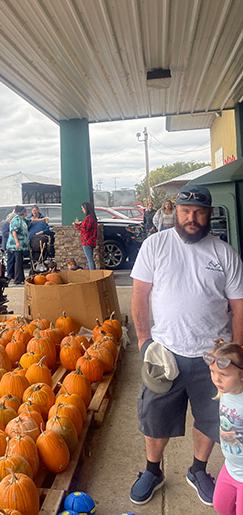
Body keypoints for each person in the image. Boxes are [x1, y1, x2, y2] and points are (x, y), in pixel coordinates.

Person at [130, 185, 243, 507]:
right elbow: (139, 295)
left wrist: (236, 354)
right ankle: (152, 470)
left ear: (209, 214)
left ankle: (198, 470)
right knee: (155, 418)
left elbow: (239, 305)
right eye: (185, 211)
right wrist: (142, 339)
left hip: (214, 357)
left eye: (199, 212)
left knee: (210, 419)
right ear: (174, 212)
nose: (191, 218)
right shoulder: (155, 245)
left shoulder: (224, 253)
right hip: (164, 352)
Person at [202, 340, 243, 515]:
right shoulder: (224, 393)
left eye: (224, 375)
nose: (216, 379)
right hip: (230, 467)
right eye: (213, 372)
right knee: (221, 506)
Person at [6, 205, 29, 285]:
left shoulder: (23, 219)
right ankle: (17, 279)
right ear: (23, 212)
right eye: (25, 211)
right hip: (16, 245)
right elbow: (14, 231)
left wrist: (42, 219)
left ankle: (21, 277)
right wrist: (17, 242)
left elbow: (31, 221)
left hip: (21, 245)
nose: (27, 213)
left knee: (20, 261)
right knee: (18, 261)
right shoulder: (16, 220)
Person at [73, 202, 98, 270]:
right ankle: (94, 272)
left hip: (87, 241)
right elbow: (87, 226)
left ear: (86, 209)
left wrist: (76, 225)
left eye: (82, 208)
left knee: (90, 260)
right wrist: (81, 223)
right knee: (91, 259)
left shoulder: (88, 218)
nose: (82, 210)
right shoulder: (93, 217)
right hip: (92, 240)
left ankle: (92, 273)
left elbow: (85, 229)